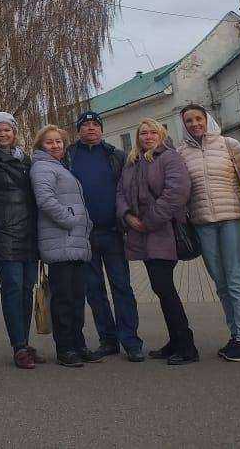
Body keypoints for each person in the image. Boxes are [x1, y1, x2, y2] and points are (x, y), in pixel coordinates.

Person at [176, 104, 240, 362]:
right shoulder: (181, 153)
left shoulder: (229, 145)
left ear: (207, 119)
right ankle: (236, 337)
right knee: (220, 282)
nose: (194, 124)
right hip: (203, 222)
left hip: (232, 218)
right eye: (189, 121)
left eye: (198, 118)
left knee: (236, 278)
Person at [117, 118, 198, 365]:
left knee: (164, 287)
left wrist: (149, 221)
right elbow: (120, 191)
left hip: (164, 233)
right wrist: (128, 216)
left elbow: (177, 192)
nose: (147, 136)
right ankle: (175, 341)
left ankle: (186, 346)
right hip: (142, 234)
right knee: (160, 288)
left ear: (161, 135)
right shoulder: (132, 162)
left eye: (153, 132)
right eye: (143, 133)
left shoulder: (169, 158)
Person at [66, 111, 144, 362]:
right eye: (85, 125)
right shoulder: (69, 156)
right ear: (78, 130)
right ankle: (108, 339)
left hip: (113, 232)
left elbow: (128, 190)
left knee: (122, 287)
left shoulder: (115, 155)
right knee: (94, 290)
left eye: (95, 125)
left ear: (101, 129)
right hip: (83, 235)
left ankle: (131, 341)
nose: (91, 129)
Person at [0, 112, 43, 370]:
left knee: (27, 290)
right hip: (4, 235)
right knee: (13, 290)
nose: (3, 134)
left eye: (7, 130)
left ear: (14, 132)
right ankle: (18, 347)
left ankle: (24, 342)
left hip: (28, 235)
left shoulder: (24, 160)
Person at [31, 124, 102, 367]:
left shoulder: (60, 167)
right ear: (41, 145)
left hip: (75, 242)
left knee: (76, 296)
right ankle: (65, 348)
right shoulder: (42, 167)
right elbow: (45, 200)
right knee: (63, 298)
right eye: (49, 142)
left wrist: (85, 225)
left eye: (59, 141)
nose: (55, 145)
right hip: (60, 241)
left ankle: (78, 344)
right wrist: (71, 220)